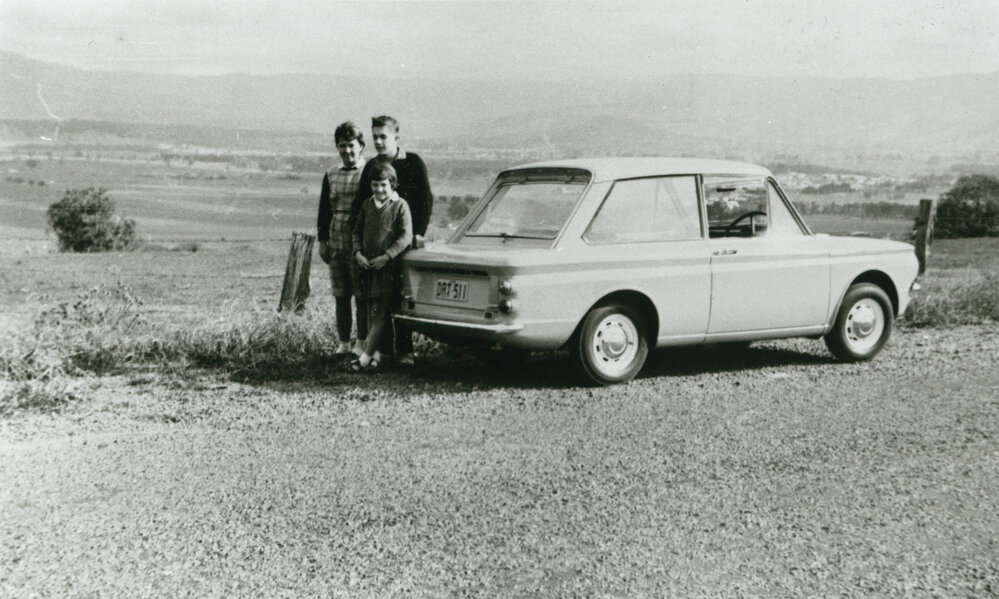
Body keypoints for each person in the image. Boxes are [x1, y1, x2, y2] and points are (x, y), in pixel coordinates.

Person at [352, 115, 433, 366]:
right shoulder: (372, 168)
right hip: (377, 247)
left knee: (402, 296)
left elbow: (426, 200)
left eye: (382, 136)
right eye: (374, 136)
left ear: (396, 137)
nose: (377, 141)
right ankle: (385, 351)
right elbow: (362, 206)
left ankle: (405, 350)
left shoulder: (414, 163)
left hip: (405, 243)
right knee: (380, 298)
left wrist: (416, 233)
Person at [347, 162, 413, 372]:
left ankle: (364, 359)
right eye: (375, 185)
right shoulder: (367, 205)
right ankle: (374, 355)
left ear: (392, 184)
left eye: (383, 185)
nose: (379, 190)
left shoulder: (400, 205)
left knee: (380, 312)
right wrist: (357, 253)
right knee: (368, 309)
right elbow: (356, 232)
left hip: (386, 269)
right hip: (366, 267)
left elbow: (406, 236)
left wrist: (387, 256)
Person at [316, 121, 367, 357]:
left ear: (361, 146)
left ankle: (362, 343)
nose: (347, 151)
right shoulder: (331, 174)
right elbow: (324, 209)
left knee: (361, 295)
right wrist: (323, 240)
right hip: (336, 238)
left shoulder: (368, 173)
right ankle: (344, 343)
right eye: (342, 146)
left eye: (351, 145)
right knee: (341, 294)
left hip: (360, 241)